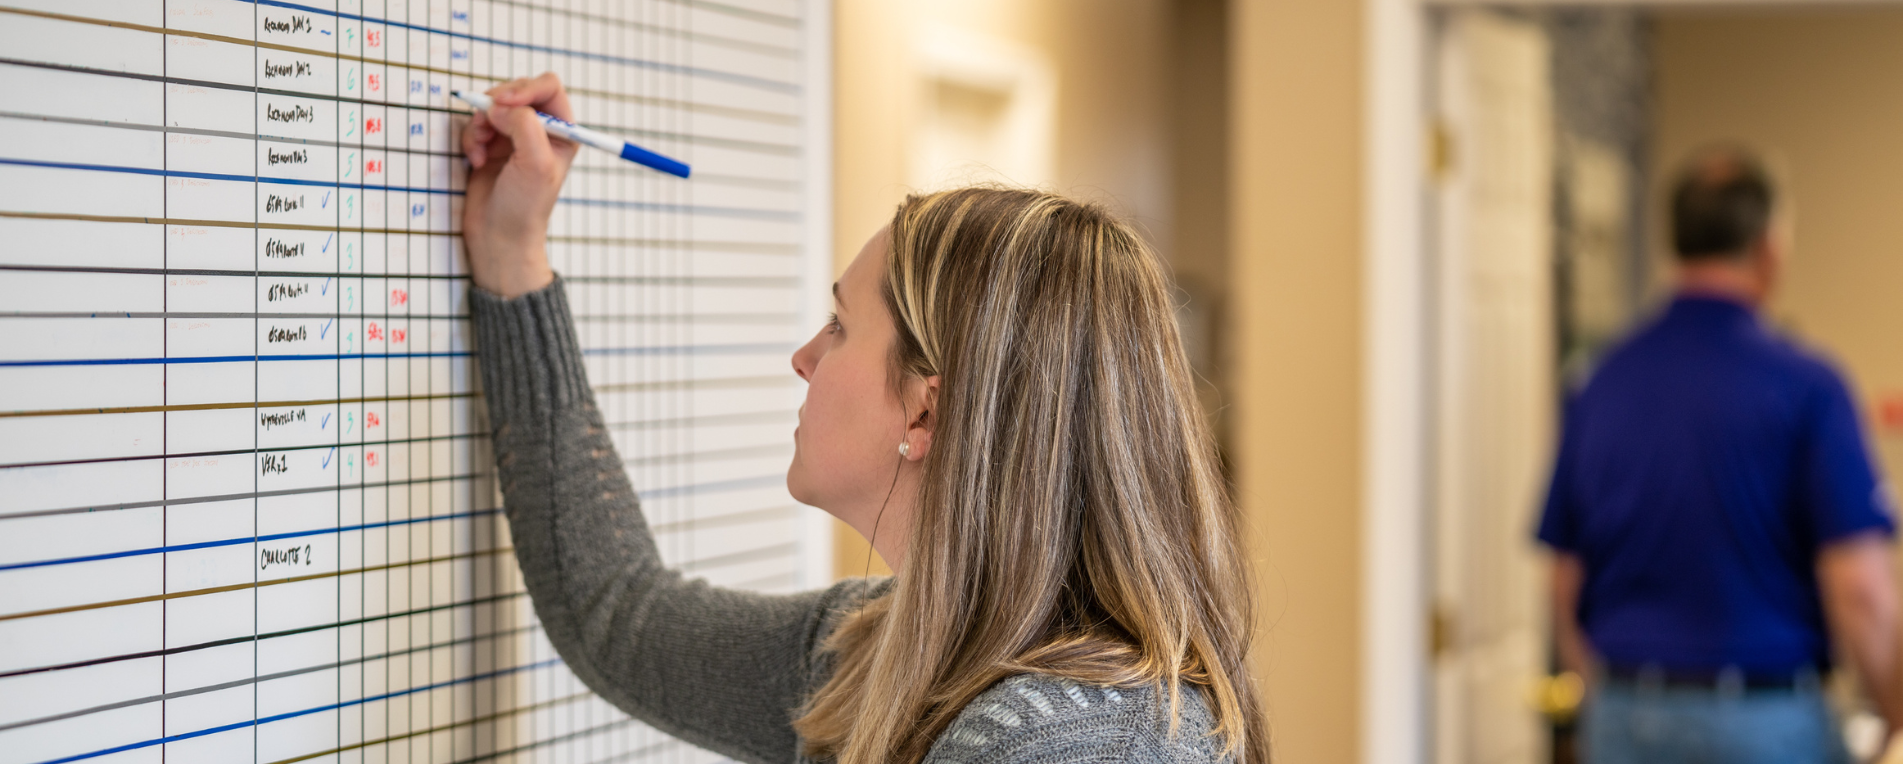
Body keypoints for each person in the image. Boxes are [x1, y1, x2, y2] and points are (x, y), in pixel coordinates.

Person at [458, 73, 1270, 764]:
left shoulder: (1089, 744)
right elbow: (623, 617)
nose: (805, 357)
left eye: (841, 325)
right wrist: (512, 257)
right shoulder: (879, 652)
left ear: (925, 409)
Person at [1537, 146, 1901, 763]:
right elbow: (1860, 588)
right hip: (1764, 722)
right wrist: (1895, 714)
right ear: (1769, 248)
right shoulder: (1808, 387)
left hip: (1626, 715)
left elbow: (1563, 583)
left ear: (1674, 243)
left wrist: (1614, 695)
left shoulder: (1601, 382)